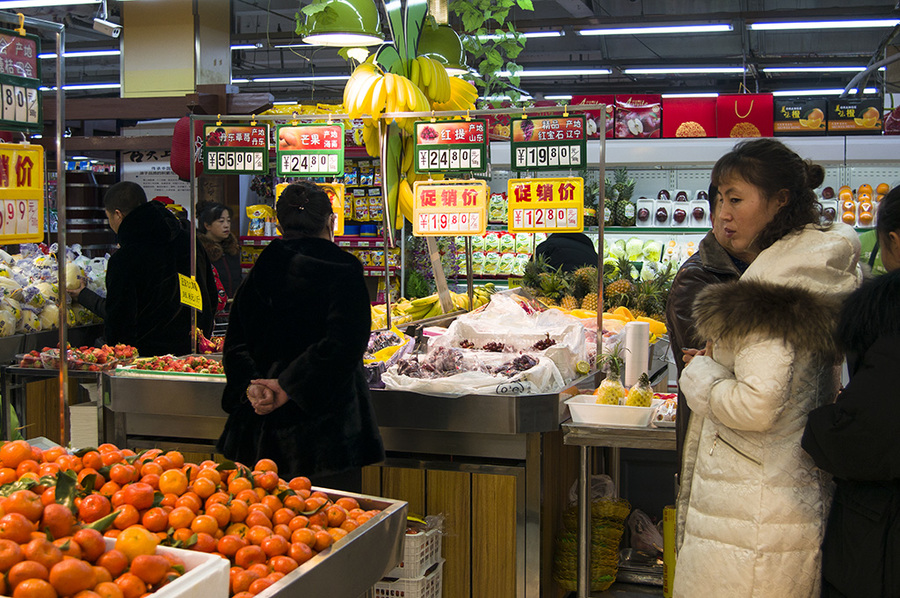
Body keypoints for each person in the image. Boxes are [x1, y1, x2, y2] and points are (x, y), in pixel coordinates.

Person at [673, 139, 862, 598]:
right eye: (717, 198)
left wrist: (700, 375)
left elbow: (757, 404)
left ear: (780, 201)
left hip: (749, 511)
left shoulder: (770, 290)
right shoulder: (807, 271)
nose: (722, 213)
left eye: (735, 199)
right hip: (782, 495)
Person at [217, 181, 384, 491]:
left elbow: (235, 342)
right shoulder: (344, 269)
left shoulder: (262, 267)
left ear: (280, 223)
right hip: (327, 437)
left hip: (262, 431)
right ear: (330, 221)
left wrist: (253, 387)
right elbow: (344, 345)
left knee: (267, 529)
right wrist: (288, 387)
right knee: (332, 526)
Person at [801, 186, 900, 598]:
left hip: (882, 541)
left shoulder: (890, 321)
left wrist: (819, 418)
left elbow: (865, 437)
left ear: (894, 240)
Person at [69, 181, 216, 356]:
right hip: (194, 354)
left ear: (117, 214)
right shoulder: (189, 241)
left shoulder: (125, 258)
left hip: (148, 363)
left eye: (109, 218)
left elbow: (119, 322)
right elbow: (210, 294)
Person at [665, 184, 744, 466]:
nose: (728, 215)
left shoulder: (760, 267)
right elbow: (708, 367)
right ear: (712, 215)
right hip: (712, 438)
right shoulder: (697, 277)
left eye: (738, 202)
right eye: (725, 204)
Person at [196, 200, 243, 302]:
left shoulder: (233, 249)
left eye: (228, 221)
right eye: (221, 221)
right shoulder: (199, 252)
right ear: (207, 225)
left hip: (232, 306)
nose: (226, 225)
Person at [533, 232, 598, 272]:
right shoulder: (592, 253)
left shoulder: (548, 246)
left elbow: (531, 270)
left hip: (555, 291)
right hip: (593, 292)